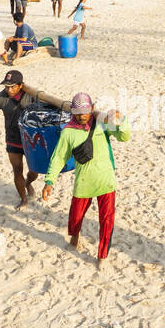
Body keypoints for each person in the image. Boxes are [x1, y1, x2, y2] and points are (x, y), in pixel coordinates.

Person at [41, 93, 130, 269]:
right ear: (73, 112)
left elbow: (123, 137)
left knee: (107, 220)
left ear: (91, 109)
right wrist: (49, 181)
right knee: (75, 216)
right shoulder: (68, 131)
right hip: (84, 182)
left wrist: (121, 119)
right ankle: (74, 238)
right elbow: (59, 157)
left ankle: (102, 256)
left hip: (105, 180)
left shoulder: (102, 124)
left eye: (85, 112)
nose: (82, 116)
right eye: (78, 112)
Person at [0, 69, 39, 208]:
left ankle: (28, 182)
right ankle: (23, 198)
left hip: (30, 140)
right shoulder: (0, 98)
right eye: (6, 86)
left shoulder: (31, 96)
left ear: (20, 85)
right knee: (17, 169)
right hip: (12, 139)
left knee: (34, 171)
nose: (9, 89)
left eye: (12, 86)